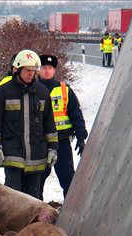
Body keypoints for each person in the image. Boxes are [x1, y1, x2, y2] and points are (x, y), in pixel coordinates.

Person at [0, 49, 58, 199]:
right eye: (27, 70)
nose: (31, 73)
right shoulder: (4, 91)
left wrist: (53, 149)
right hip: (13, 155)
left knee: (33, 200)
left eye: (33, 70)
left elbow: (49, 125)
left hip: (37, 157)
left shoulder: (42, 92)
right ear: (18, 69)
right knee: (13, 200)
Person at [37, 54, 88, 199]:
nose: (47, 71)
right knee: (36, 182)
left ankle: (70, 213)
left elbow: (76, 115)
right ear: (38, 70)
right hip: (41, 143)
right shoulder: (33, 90)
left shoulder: (65, 90)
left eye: (50, 68)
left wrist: (81, 137)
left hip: (62, 143)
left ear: (54, 71)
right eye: (44, 68)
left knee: (68, 181)